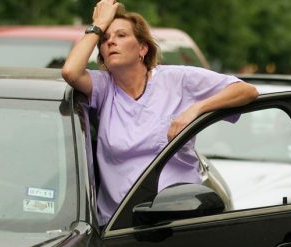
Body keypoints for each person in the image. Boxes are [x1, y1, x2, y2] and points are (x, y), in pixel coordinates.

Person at [62, 0, 258, 225]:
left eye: (121, 35)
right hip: (118, 227)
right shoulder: (104, 88)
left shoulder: (176, 79)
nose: (111, 42)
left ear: (143, 49)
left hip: (178, 220)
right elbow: (70, 71)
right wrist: (98, 24)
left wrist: (195, 110)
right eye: (104, 40)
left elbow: (246, 90)